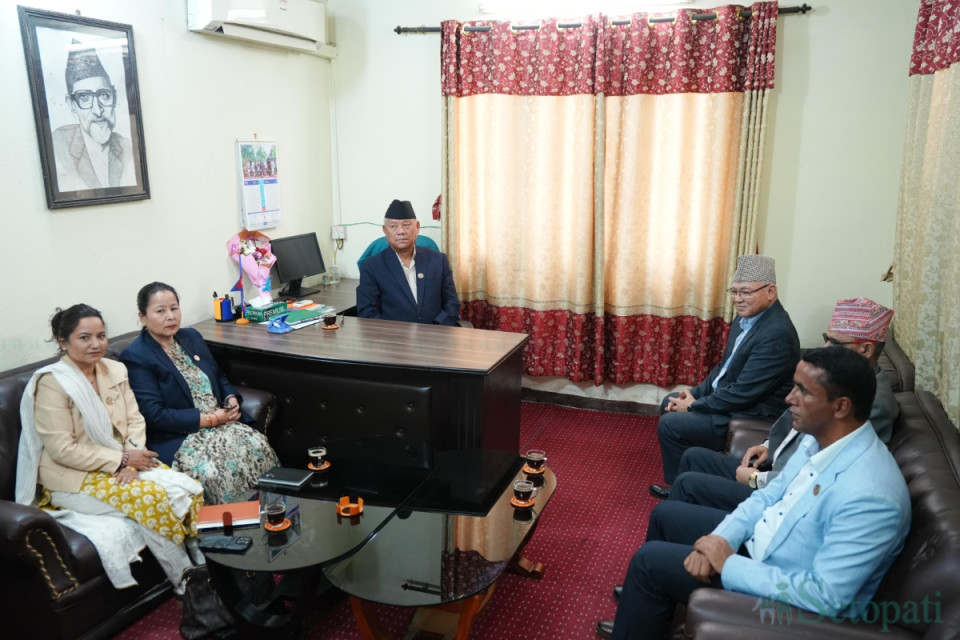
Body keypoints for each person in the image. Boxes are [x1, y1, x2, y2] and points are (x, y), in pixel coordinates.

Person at [597, 347, 911, 640]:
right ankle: (647, 615)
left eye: (802, 391)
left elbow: (825, 596)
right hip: (763, 543)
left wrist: (727, 563)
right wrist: (722, 539)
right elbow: (766, 496)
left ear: (841, 406)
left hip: (780, 585)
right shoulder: (819, 438)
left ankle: (642, 611)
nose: (789, 398)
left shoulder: (871, 495)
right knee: (666, 515)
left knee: (649, 563)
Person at [16, 304, 202, 595]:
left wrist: (130, 462)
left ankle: (204, 568)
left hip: (124, 462)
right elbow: (63, 449)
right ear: (63, 342)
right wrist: (121, 459)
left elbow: (135, 420)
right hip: (72, 477)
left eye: (101, 336)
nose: (96, 344)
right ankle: (186, 587)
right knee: (152, 498)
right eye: (84, 337)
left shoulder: (114, 369)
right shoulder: (53, 383)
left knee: (188, 487)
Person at [668, 297, 898, 511]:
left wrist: (755, 479)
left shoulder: (873, 404)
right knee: (693, 457)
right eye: (826, 338)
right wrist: (769, 445)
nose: (827, 348)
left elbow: (816, 473)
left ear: (866, 349)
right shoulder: (843, 378)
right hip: (775, 468)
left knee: (685, 489)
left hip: (784, 495)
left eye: (835, 342)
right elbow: (797, 425)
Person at [651, 255, 800, 496]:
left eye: (746, 292)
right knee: (670, 401)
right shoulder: (746, 317)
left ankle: (679, 488)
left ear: (771, 292)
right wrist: (695, 393)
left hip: (750, 411)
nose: (738, 299)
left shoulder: (777, 333)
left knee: (671, 424)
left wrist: (694, 406)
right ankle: (691, 473)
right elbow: (724, 368)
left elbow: (744, 393)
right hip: (732, 400)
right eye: (734, 291)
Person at [120, 282, 279, 504]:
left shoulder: (190, 337)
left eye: (174, 308)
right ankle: (229, 521)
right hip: (184, 436)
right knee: (217, 470)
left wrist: (231, 398)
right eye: (160, 311)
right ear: (142, 317)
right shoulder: (137, 356)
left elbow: (218, 376)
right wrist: (211, 419)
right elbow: (155, 415)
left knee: (257, 445)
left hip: (223, 424)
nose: (170, 316)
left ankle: (271, 510)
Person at [356, 199, 461, 326]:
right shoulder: (371, 267)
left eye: (406, 225)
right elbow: (367, 313)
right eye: (393, 226)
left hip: (436, 332)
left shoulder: (439, 260)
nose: (401, 231)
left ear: (417, 227)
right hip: (393, 336)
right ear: (385, 230)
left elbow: (452, 303)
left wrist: (438, 329)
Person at [51, 42, 136, 192]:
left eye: (104, 95)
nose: (97, 110)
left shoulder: (127, 147)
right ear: (72, 105)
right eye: (84, 97)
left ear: (114, 99)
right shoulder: (59, 144)